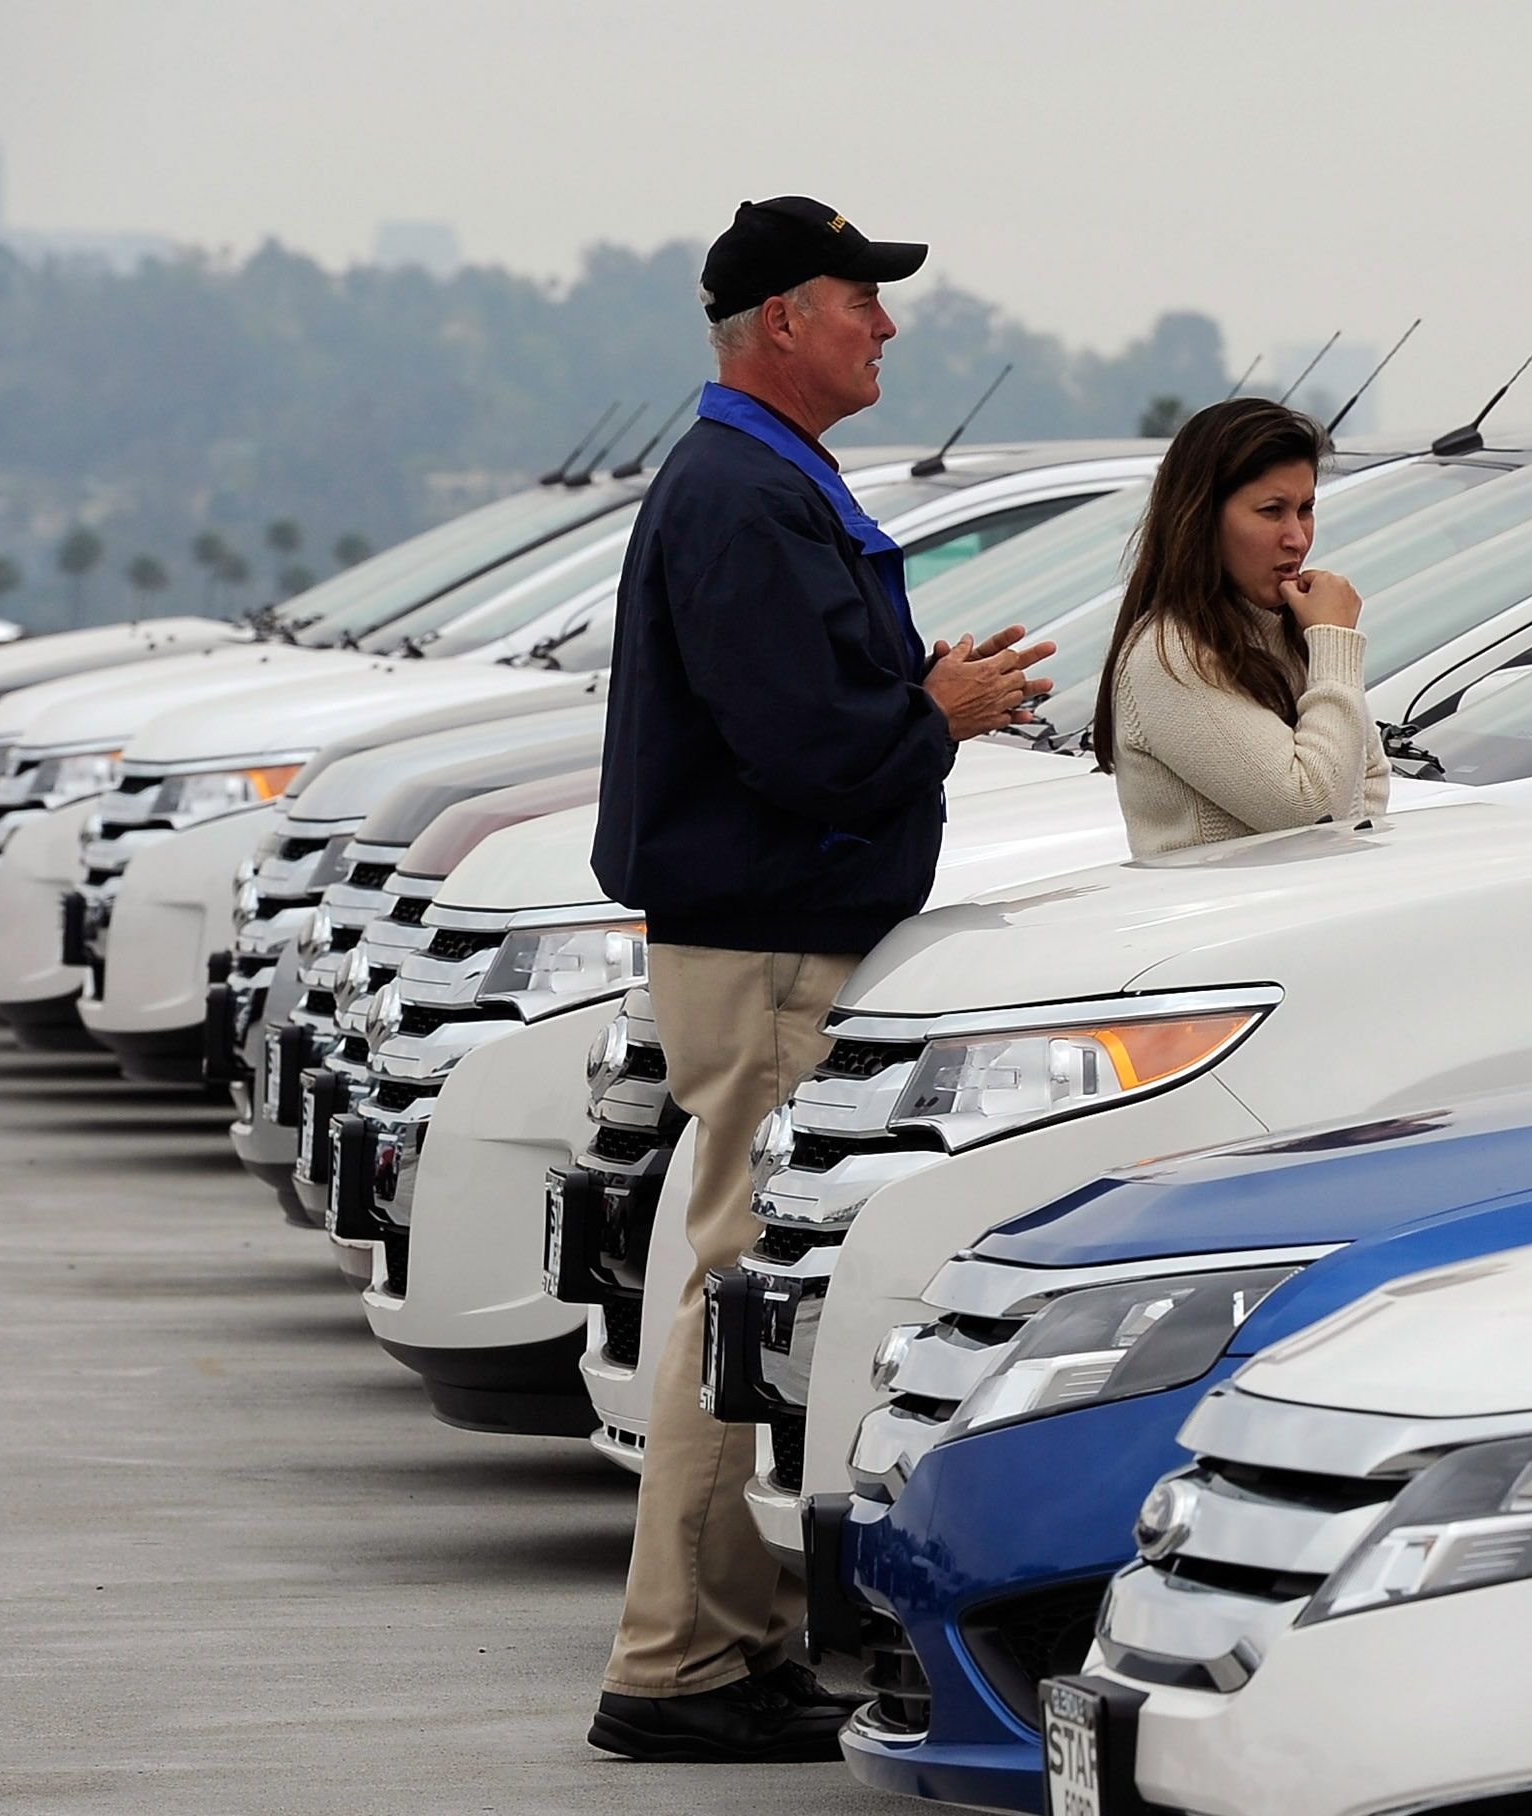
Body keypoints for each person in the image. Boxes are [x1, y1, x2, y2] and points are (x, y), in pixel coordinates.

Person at [585, 195, 1048, 1764]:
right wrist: (941, 713)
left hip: (769, 935)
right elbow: (802, 744)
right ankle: (684, 1665)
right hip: (769, 942)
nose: (886, 325)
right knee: (740, 1298)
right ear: (782, 318)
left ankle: (726, 1641)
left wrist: (919, 704)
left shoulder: (758, 478)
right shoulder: (741, 493)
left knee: (738, 1288)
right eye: (862, 298)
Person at [1093, 397, 1386, 857]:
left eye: (1306, 508)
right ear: (1201, 518)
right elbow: (1314, 811)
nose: (1298, 537)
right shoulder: (1171, 653)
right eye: (1272, 511)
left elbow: (1367, 780)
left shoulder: (1286, 625)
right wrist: (1333, 642)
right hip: (1225, 924)